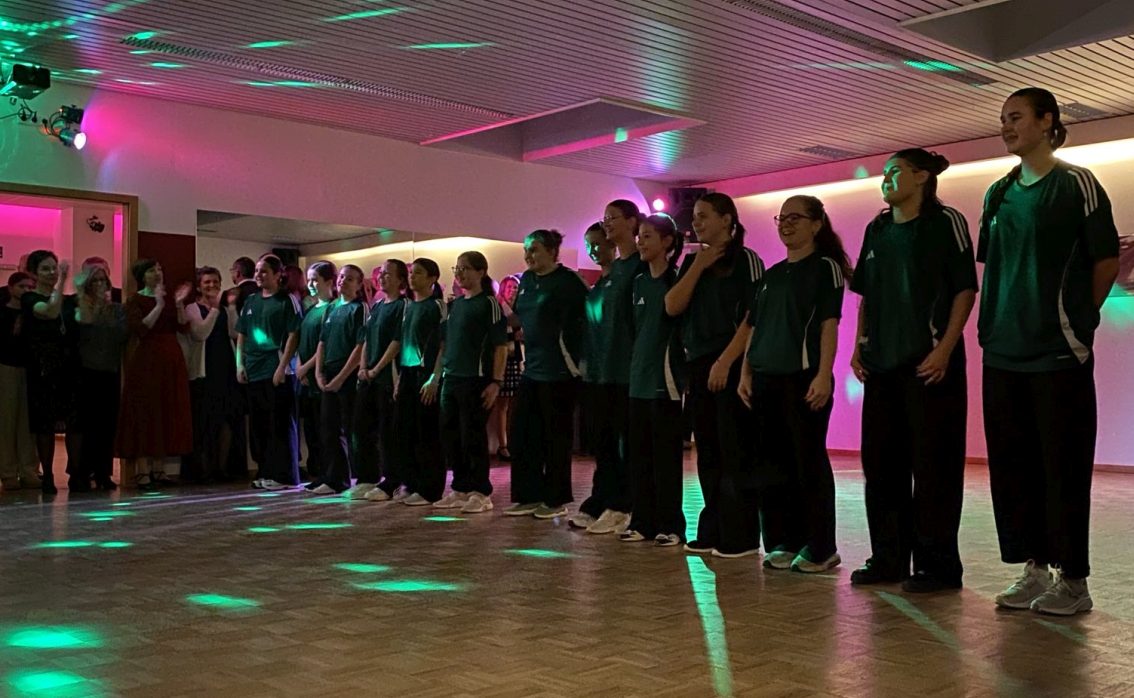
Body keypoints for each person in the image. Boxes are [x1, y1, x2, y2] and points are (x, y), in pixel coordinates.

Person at [979, 88, 1119, 615]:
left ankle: (1074, 582)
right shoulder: (997, 192)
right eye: (1003, 119)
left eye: (1016, 117)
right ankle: (1034, 569)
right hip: (1002, 353)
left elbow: (1106, 260)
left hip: (1058, 354)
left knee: (1062, 468)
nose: (1007, 126)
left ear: (1047, 122)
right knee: (1014, 469)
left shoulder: (1076, 183)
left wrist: (1078, 322)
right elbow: (994, 264)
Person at [848, 148, 978, 592]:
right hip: (881, 367)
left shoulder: (946, 222)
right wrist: (859, 345)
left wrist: (944, 349)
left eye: (895, 172)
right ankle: (888, 559)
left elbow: (964, 290)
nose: (885, 180)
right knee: (881, 467)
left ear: (922, 176)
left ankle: (937, 566)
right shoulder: (877, 228)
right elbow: (867, 295)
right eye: (884, 173)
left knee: (934, 468)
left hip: (929, 366)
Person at [734, 196, 850, 573]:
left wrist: (823, 374)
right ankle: (784, 541)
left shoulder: (825, 268)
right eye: (781, 218)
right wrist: (746, 372)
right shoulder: (772, 274)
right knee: (772, 464)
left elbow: (829, 324)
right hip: (765, 379)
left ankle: (821, 547)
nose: (785, 224)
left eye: (795, 218)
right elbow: (755, 327)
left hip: (803, 378)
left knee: (807, 463)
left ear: (816, 224)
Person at [665, 194, 765, 558]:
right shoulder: (693, 261)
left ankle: (741, 534)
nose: (697, 222)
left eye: (704, 215)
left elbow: (753, 316)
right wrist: (698, 265)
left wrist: (725, 361)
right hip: (698, 364)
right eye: (694, 216)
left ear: (727, 220)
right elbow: (672, 306)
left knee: (734, 449)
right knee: (707, 450)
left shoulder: (746, 260)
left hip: (732, 362)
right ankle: (712, 527)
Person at [504, 230, 587, 520]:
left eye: (535, 249)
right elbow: (519, 318)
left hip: (560, 370)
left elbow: (588, 319)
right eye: (526, 250)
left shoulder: (569, 281)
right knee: (522, 433)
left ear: (552, 251)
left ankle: (555, 499)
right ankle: (527, 495)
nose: (528, 256)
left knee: (555, 437)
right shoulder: (527, 280)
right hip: (533, 369)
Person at [571, 202, 642, 535]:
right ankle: (602, 500)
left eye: (599, 242)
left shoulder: (635, 270)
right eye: (590, 246)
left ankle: (623, 504)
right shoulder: (602, 283)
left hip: (624, 373)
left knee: (622, 443)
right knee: (603, 443)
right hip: (599, 374)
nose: (595, 250)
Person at [619, 213, 686, 547]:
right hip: (638, 382)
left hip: (666, 383)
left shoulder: (677, 281)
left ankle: (671, 525)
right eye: (639, 236)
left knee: (666, 459)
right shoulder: (638, 283)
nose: (641, 242)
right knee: (639, 457)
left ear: (667, 242)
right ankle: (641, 522)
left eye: (648, 236)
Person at [434, 252, 509, 514]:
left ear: (481, 272)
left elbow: (500, 346)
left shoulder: (488, 303)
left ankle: (481, 491)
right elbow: (445, 345)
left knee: (472, 436)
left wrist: (496, 382)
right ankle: (461, 487)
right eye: (457, 268)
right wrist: (437, 376)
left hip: (475, 380)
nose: (460, 273)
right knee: (451, 435)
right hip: (451, 378)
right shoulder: (455, 306)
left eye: (466, 268)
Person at [115, 259, 194, 487]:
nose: (157, 273)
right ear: (142, 276)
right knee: (146, 411)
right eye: (151, 270)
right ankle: (142, 470)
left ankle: (159, 469)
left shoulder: (169, 298)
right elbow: (141, 328)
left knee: (166, 410)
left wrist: (178, 303)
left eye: (159, 269)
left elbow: (183, 326)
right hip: (148, 360)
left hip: (170, 359)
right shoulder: (135, 300)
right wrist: (158, 304)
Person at [236, 254, 301, 491]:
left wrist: (282, 367)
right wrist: (239, 364)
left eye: (264, 271)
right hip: (254, 371)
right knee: (259, 426)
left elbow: (294, 334)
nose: (259, 275)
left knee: (280, 424)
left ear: (277, 275)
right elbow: (242, 334)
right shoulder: (251, 301)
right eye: (257, 271)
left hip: (276, 370)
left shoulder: (287, 300)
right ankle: (265, 471)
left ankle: (285, 476)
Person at [20, 250, 79, 494]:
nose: (52, 272)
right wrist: (63, 279)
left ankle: (76, 473)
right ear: (34, 273)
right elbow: (50, 311)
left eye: (54, 267)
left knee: (74, 421)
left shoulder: (67, 300)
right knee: (45, 424)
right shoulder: (30, 298)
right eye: (45, 268)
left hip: (67, 366)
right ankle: (47, 475)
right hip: (42, 367)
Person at [73, 259, 128, 491]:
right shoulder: (79, 305)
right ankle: (81, 473)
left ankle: (103, 473)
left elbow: (122, 336)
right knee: (87, 426)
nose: (99, 284)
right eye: (94, 281)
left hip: (110, 371)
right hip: (86, 373)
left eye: (102, 280)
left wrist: (106, 307)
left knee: (107, 425)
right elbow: (84, 323)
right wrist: (94, 304)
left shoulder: (117, 309)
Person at [311, 264, 366, 494]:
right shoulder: (332, 308)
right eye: (342, 276)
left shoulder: (359, 308)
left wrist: (342, 377)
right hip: (329, 373)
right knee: (329, 428)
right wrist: (319, 372)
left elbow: (360, 345)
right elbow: (322, 342)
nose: (343, 281)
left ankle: (356, 479)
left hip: (348, 375)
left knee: (351, 428)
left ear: (359, 284)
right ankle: (333, 478)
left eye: (350, 278)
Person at [183, 266, 241, 484]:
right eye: (207, 282)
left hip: (225, 369)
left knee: (225, 420)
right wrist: (215, 310)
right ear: (199, 286)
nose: (212, 285)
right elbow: (200, 333)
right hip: (204, 372)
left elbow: (234, 332)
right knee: (204, 422)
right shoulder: (192, 308)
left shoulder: (224, 309)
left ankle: (221, 468)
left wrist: (231, 307)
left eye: (215, 281)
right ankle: (203, 470)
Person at [396, 258, 447, 505]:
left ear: (432, 278)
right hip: (407, 373)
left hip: (425, 374)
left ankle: (430, 489)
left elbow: (443, 345)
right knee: (407, 431)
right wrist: (399, 378)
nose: (412, 277)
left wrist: (435, 377)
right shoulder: (408, 307)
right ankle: (411, 482)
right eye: (410, 273)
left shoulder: (436, 306)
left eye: (418, 273)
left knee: (427, 432)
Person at [357, 260, 408, 501]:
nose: (382, 277)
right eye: (381, 273)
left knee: (389, 432)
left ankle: (393, 480)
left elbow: (397, 342)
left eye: (388, 274)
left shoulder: (402, 305)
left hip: (388, 377)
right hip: (369, 378)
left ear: (400, 280)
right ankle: (368, 477)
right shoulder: (377, 306)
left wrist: (377, 369)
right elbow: (367, 338)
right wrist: (363, 367)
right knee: (364, 428)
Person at [296, 261, 337, 483]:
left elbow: (325, 344)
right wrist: (300, 368)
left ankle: (330, 474)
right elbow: (303, 341)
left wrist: (307, 367)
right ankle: (318, 473)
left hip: (322, 377)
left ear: (329, 282)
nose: (311, 284)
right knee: (312, 430)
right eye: (309, 279)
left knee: (326, 430)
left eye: (315, 280)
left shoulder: (333, 308)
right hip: (307, 380)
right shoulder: (311, 310)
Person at [0, 272, 41, 491]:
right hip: (6, 366)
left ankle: (29, 470)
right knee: (7, 422)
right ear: (11, 288)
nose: (26, 291)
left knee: (28, 423)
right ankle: (8, 472)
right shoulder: (3, 311)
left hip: (30, 369)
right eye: (22, 287)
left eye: (30, 287)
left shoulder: (34, 313)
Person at [490, 274, 523, 461]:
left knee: (515, 405)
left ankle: (513, 441)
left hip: (518, 359)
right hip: (504, 359)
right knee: (502, 404)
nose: (513, 291)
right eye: (509, 287)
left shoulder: (519, 309)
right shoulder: (500, 309)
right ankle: (503, 445)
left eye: (516, 288)